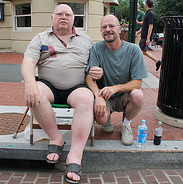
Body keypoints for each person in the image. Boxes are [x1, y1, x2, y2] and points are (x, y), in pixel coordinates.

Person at [21, 4, 101, 184]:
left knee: (86, 98)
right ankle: (56, 138)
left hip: (76, 87)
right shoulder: (40, 38)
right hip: (48, 85)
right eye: (59, 14)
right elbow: (28, 62)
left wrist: (98, 72)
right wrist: (29, 83)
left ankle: (75, 156)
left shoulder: (86, 40)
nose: (63, 17)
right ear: (52, 18)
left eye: (68, 14)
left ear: (73, 19)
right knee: (36, 93)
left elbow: (95, 66)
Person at [86, 14, 148, 146]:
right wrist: (98, 96)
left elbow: (138, 83)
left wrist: (116, 88)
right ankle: (106, 118)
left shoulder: (133, 50)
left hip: (124, 96)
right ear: (101, 31)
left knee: (138, 95)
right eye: (104, 27)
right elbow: (89, 78)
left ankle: (126, 125)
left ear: (120, 29)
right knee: (101, 119)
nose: (107, 29)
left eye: (111, 26)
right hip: (104, 95)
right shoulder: (96, 48)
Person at [136, 0, 161, 71]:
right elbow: (144, 25)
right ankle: (156, 61)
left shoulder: (150, 13)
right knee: (142, 51)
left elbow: (150, 26)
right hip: (143, 36)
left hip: (145, 37)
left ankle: (156, 61)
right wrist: (138, 32)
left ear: (146, 4)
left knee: (142, 51)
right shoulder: (148, 13)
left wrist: (148, 38)